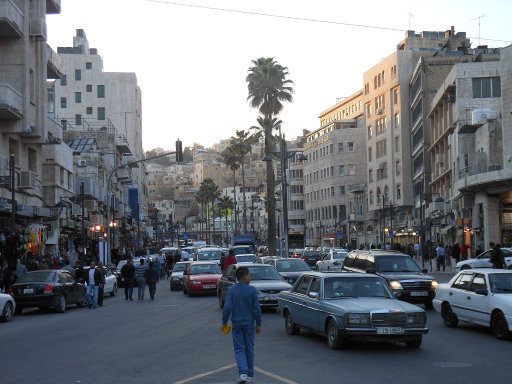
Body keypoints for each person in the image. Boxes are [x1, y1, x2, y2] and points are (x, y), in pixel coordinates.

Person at [222, 266, 261, 384]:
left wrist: (224, 322)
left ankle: (242, 373)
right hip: (249, 324)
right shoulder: (252, 290)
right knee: (249, 348)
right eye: (249, 275)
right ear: (244, 277)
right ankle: (250, 375)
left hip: (237, 323)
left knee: (239, 349)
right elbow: (257, 310)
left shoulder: (232, 290)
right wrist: (258, 324)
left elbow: (227, 307)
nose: (250, 277)